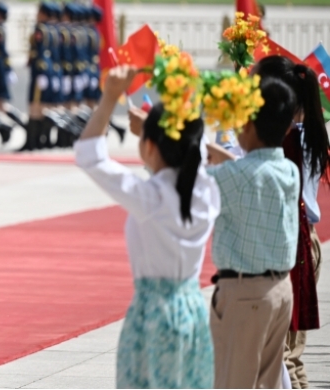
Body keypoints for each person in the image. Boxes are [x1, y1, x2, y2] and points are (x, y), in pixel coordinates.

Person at [76, 66, 218, 388]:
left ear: (150, 146)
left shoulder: (151, 198)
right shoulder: (207, 192)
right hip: (193, 309)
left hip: (154, 314)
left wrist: (110, 97)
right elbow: (195, 148)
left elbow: (89, 156)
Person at [206, 78, 300, 389]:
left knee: (233, 382)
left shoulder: (234, 176)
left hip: (246, 296)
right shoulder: (288, 170)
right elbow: (253, 172)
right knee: (267, 383)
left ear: (247, 124)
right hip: (279, 291)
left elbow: (188, 182)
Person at [254, 56, 330, 388]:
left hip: (291, 246)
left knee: (281, 355)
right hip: (303, 242)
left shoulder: (288, 140)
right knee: (289, 355)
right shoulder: (310, 131)